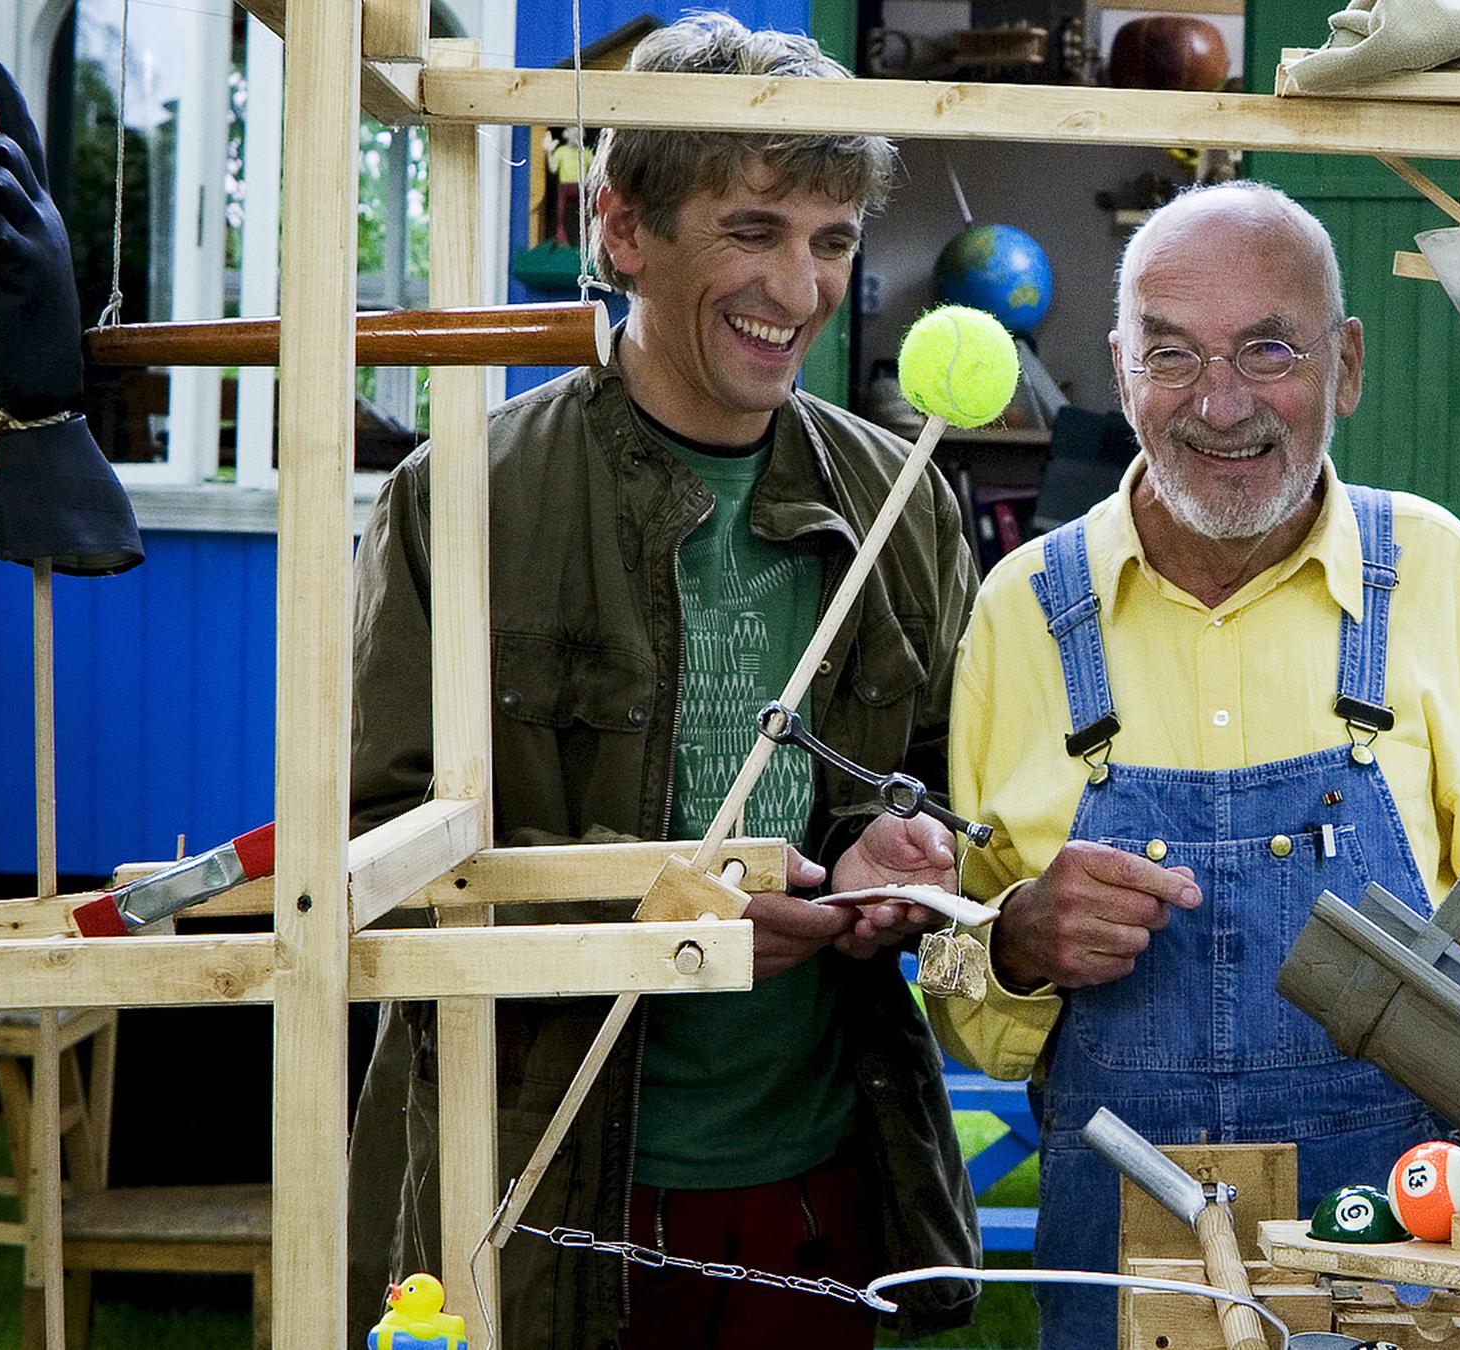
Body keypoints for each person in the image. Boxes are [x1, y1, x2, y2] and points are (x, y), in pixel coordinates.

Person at [930, 181, 1460, 1349]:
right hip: (1122, 1256)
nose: (1219, 404)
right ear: (1121, 372)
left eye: (1267, 348)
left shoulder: (1436, 575)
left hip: (1406, 1243)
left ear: (1347, 365)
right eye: (1172, 356)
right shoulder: (1023, 611)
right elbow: (959, 988)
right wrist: (1016, 940)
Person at [345, 15, 980, 1349]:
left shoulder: (903, 501)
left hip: (816, 1168)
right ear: (626, 229)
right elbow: (379, 863)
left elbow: (939, 779)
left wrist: (898, 848)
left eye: (832, 240)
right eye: (752, 230)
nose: (800, 290)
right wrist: (676, 914)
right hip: (543, 1171)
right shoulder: (460, 496)